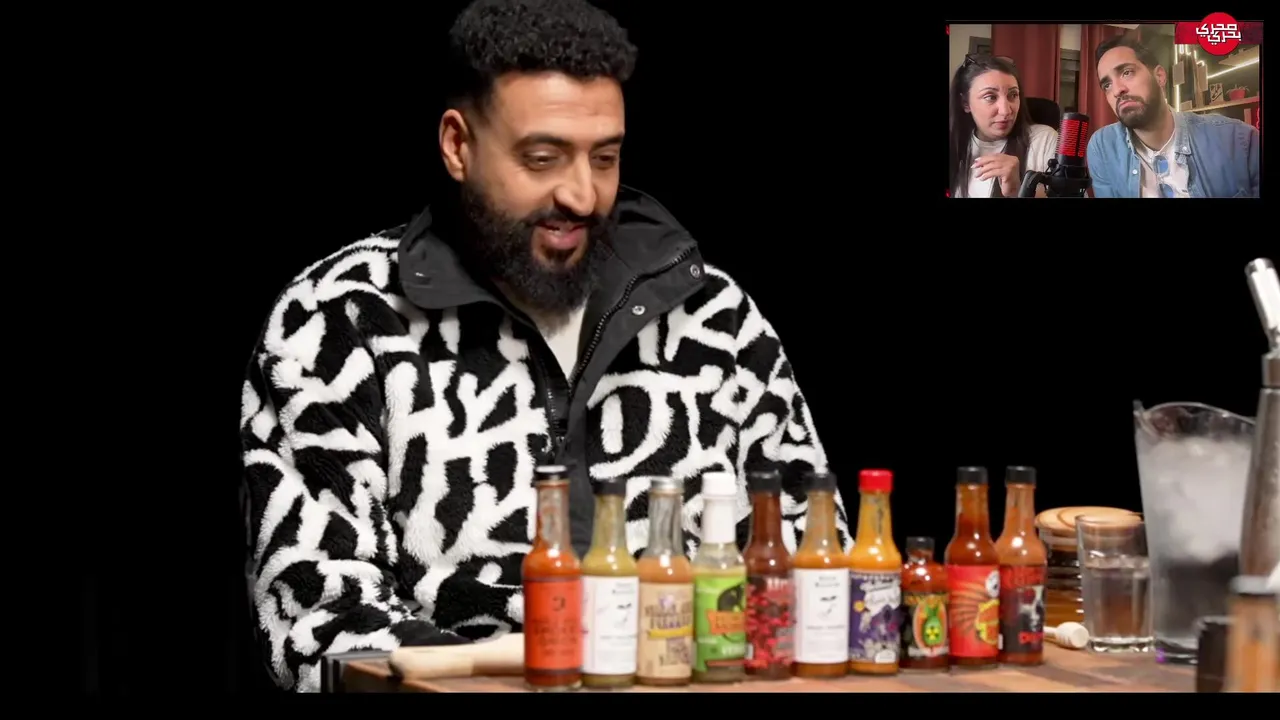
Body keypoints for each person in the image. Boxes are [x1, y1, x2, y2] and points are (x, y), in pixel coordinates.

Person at [237, 0, 851, 692]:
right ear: (457, 146)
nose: (582, 195)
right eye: (542, 159)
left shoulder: (714, 314)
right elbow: (319, 623)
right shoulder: (340, 319)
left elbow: (818, 572)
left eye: (605, 158)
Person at [1086, 35, 1260, 198]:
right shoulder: (1102, 147)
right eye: (1107, 85)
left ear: (1159, 76)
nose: (1117, 90)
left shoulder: (1238, 141)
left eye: (1127, 72)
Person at [949, 54, 1059, 197]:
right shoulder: (956, 147)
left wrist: (1018, 190)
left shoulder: (1044, 140)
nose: (1006, 111)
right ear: (965, 103)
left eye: (1013, 95)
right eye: (990, 97)